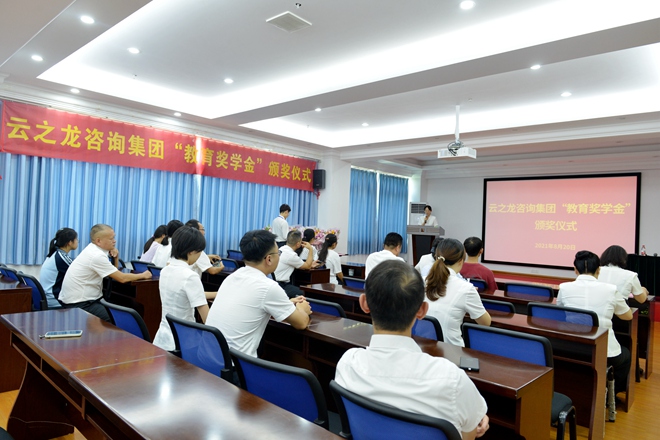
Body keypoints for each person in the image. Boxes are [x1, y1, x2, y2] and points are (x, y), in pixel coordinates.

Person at [335, 260, 489, 439]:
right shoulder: (452, 380)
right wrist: (473, 416)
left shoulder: (348, 363)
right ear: (422, 310)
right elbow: (469, 434)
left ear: (364, 303)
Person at [206, 230, 312, 357]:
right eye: (278, 253)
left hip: (209, 357)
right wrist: (302, 308)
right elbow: (301, 323)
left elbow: (250, 303)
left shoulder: (232, 277)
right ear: (269, 259)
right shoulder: (268, 286)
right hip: (234, 365)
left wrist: (286, 303)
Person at [557, 250, 633, 394]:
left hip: (573, 347)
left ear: (575, 270)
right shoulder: (611, 290)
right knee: (626, 355)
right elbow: (628, 316)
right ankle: (612, 394)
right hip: (604, 352)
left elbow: (560, 312)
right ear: (599, 270)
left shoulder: (564, 287)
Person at [59, 224, 151, 321]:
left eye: (114, 237)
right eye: (111, 239)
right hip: (80, 304)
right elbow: (122, 278)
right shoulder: (96, 255)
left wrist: (116, 257)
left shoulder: (93, 249)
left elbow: (112, 272)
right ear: (98, 241)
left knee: (119, 305)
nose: (114, 241)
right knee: (117, 319)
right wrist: (143, 275)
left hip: (80, 300)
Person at [153, 226, 215, 351]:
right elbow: (207, 319)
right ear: (191, 251)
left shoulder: (165, 270)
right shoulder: (190, 276)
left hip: (163, 339)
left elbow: (186, 294)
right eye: (200, 252)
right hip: (185, 342)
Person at [424, 238, 491, 347]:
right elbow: (486, 323)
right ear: (461, 261)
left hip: (424, 346)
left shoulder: (422, 281)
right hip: (451, 350)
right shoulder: (466, 289)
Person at [40, 228, 78, 309]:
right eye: (76, 239)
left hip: (47, 298)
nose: (77, 241)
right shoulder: (61, 257)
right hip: (55, 301)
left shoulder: (55, 254)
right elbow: (78, 273)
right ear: (70, 242)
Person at [274, 230, 320, 297]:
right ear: (298, 244)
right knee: (306, 293)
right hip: (281, 285)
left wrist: (310, 264)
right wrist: (310, 249)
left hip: (275, 283)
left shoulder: (282, 249)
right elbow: (307, 266)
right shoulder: (291, 255)